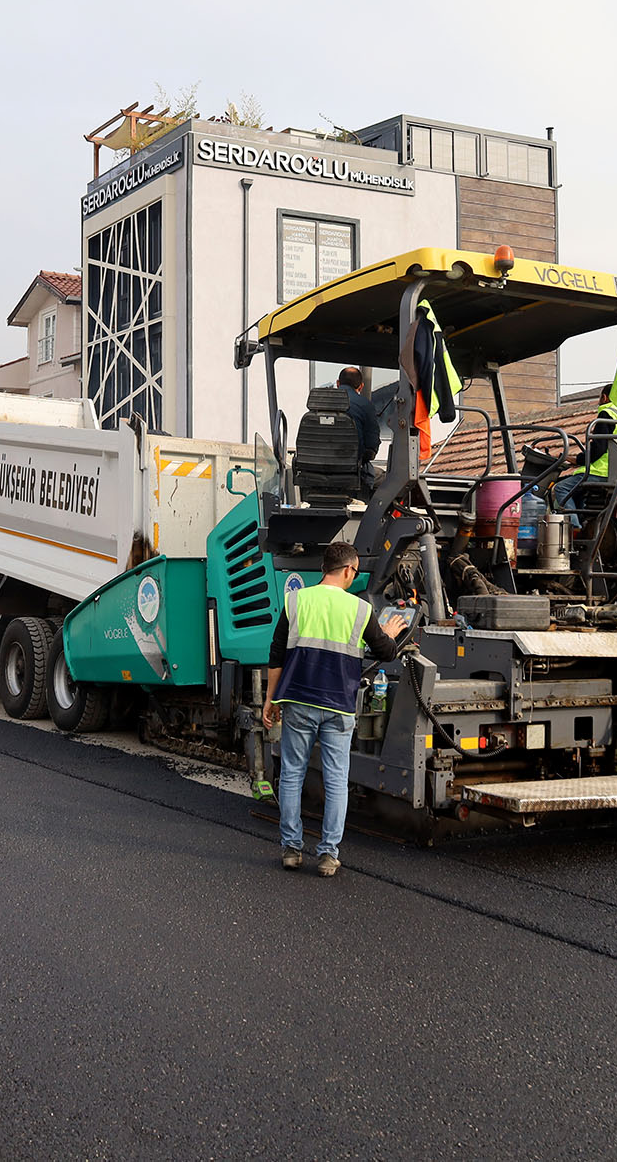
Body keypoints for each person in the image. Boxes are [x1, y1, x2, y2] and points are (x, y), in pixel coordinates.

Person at [263, 540, 408, 875]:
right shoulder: (359, 609)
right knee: (336, 780)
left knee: (292, 775)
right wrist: (386, 632)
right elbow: (387, 652)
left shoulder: (296, 601)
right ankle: (328, 855)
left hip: (298, 701)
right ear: (347, 570)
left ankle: (291, 849)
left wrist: (271, 699)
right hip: (339, 706)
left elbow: (276, 654)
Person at [336, 366, 380, 493]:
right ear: (361, 387)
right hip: (353, 473)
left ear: (338, 383)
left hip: (314, 471)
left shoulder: (318, 402)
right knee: (384, 479)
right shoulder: (366, 405)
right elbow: (371, 446)